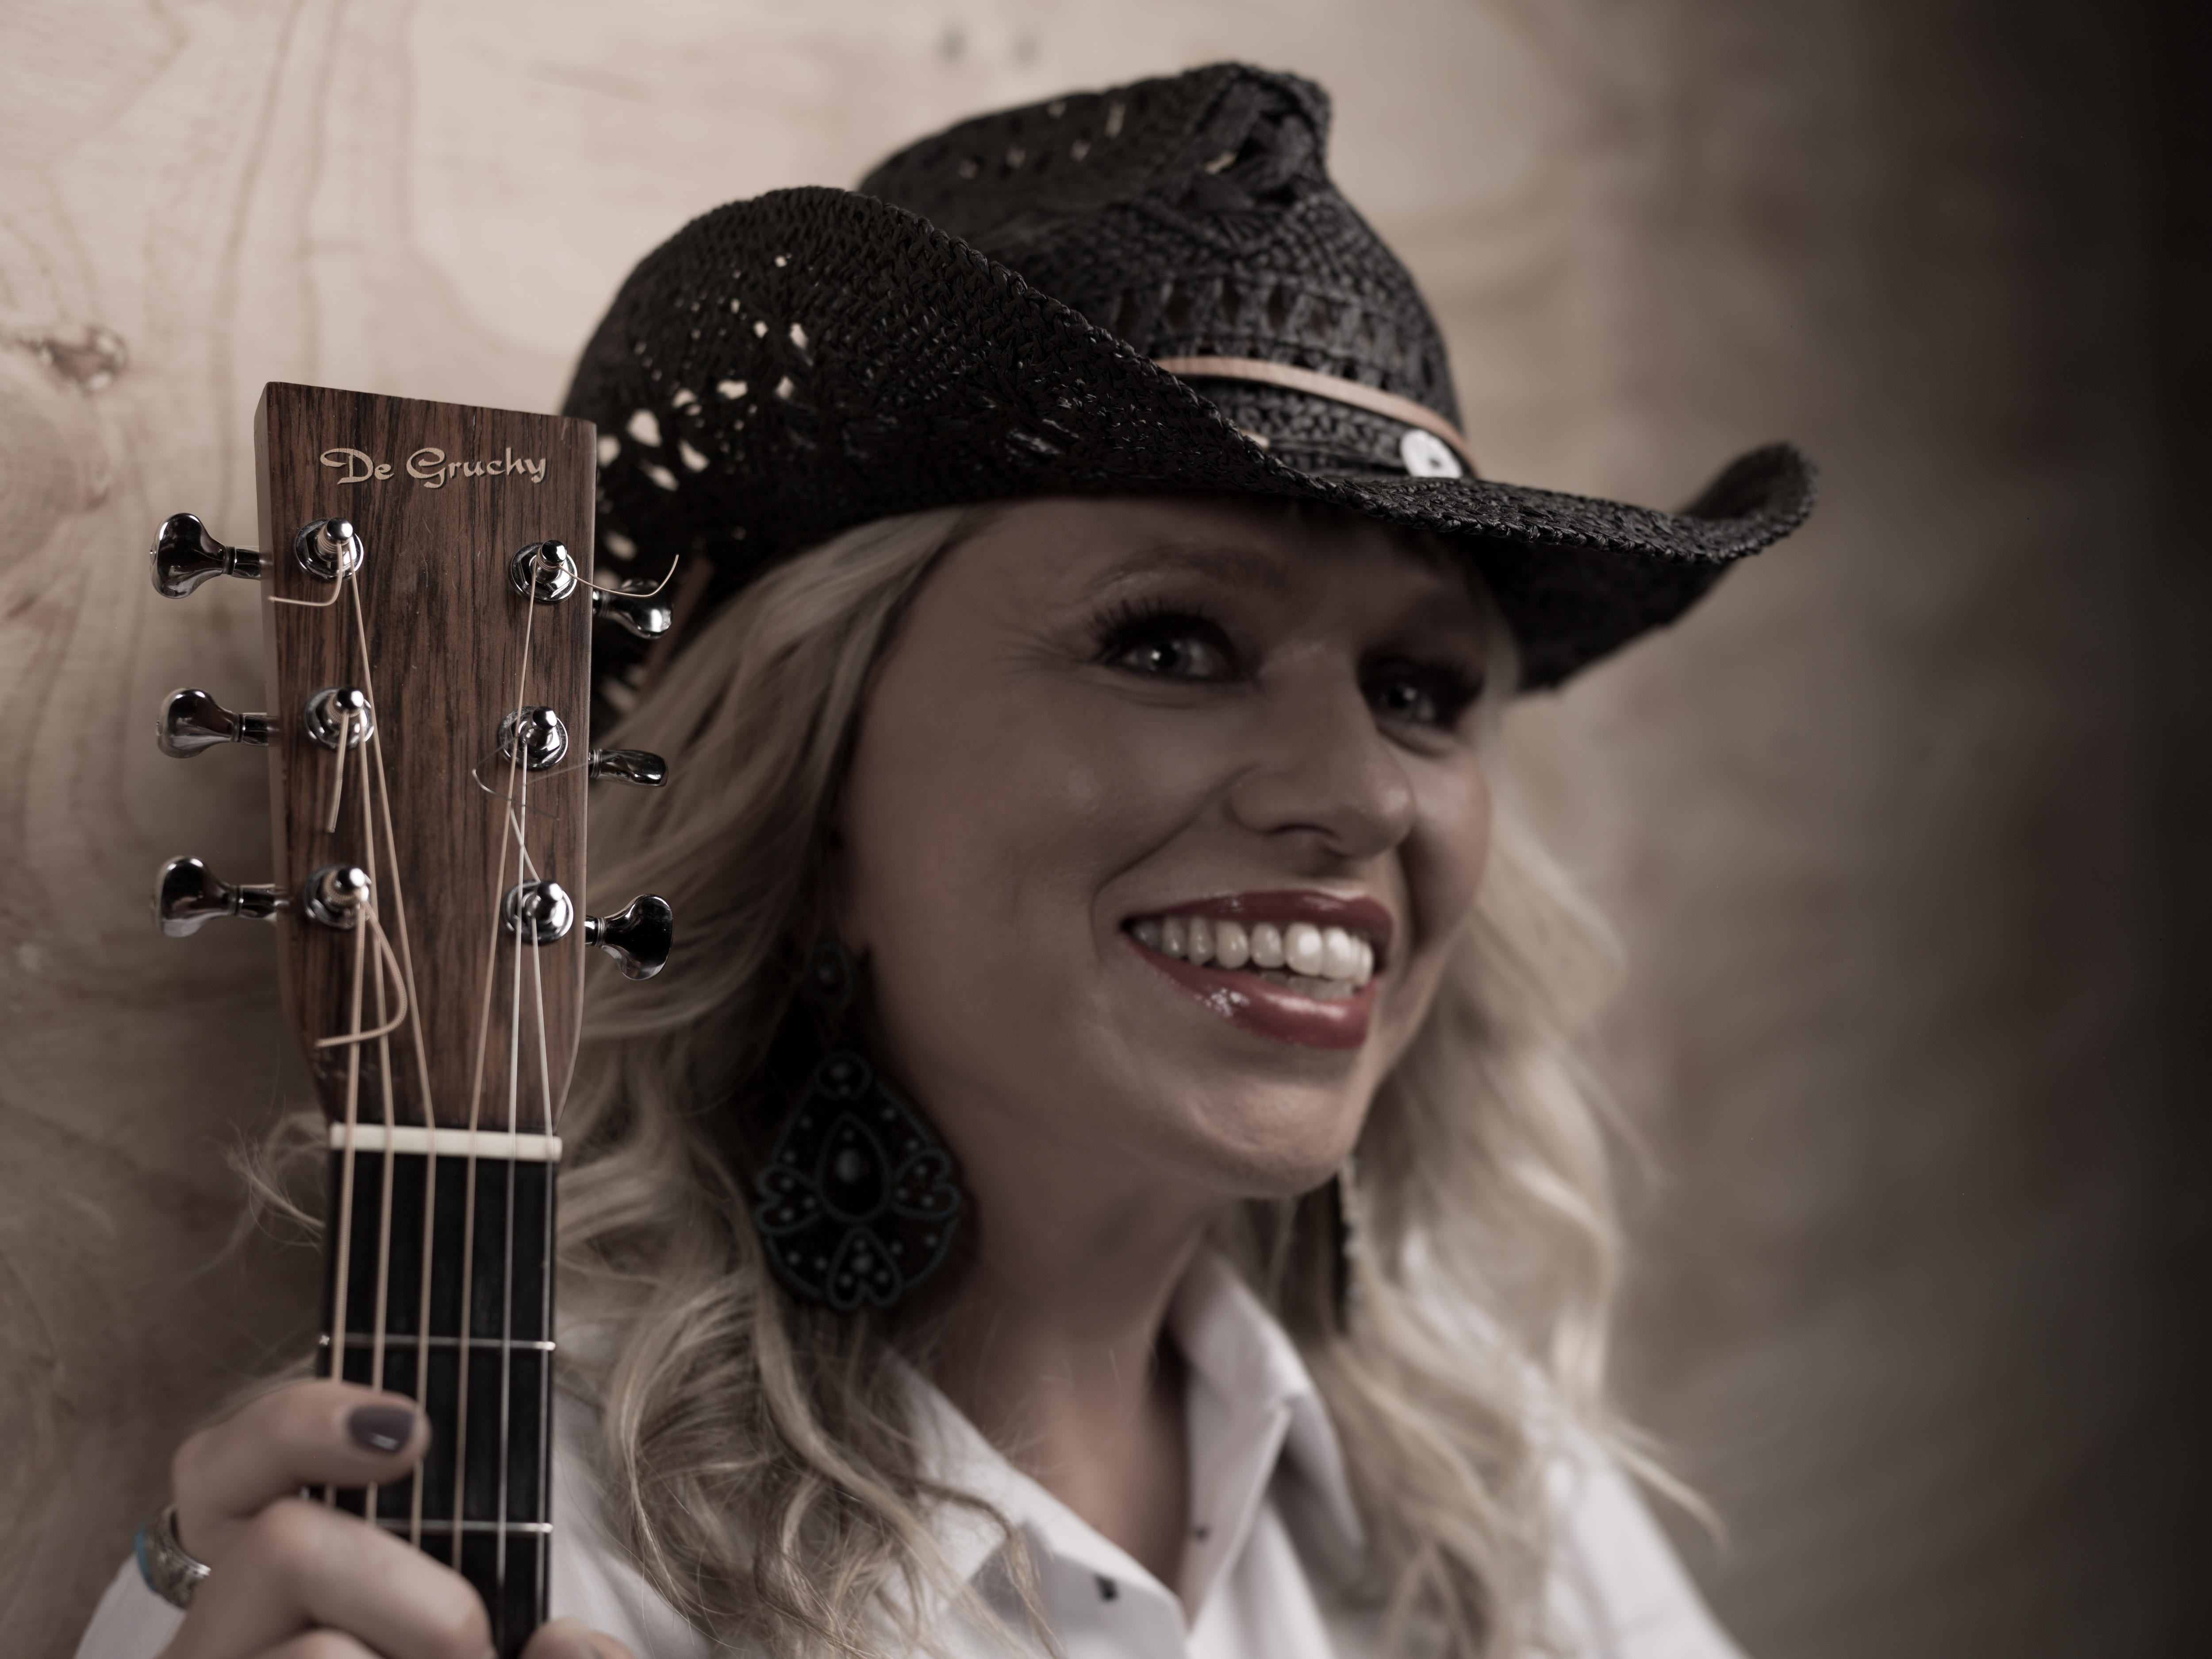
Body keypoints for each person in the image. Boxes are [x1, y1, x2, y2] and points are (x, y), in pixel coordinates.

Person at [76, 63, 1813, 1659]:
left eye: (1420, 688)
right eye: (1168, 642)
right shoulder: (475, 1536)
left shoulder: (1484, 1483)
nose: (1352, 792)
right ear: (816, 784)